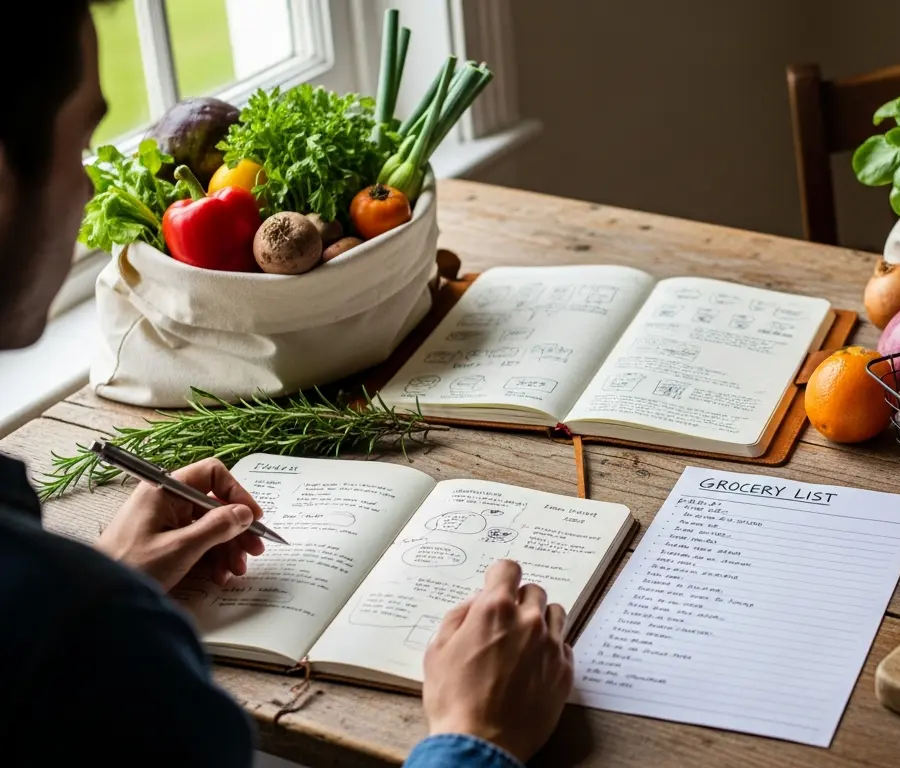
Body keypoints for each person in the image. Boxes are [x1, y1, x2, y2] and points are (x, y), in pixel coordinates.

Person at [0, 4, 573, 767]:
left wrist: (106, 579)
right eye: (80, 144)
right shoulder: (95, 653)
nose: (80, 193)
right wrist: (477, 740)